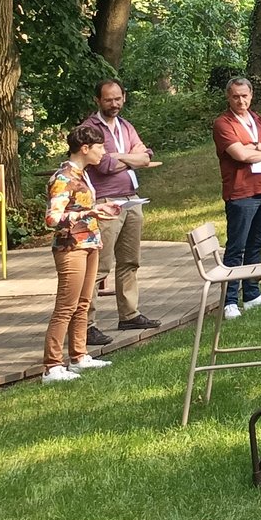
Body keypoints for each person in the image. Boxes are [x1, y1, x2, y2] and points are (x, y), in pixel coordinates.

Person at [41, 123, 119, 383]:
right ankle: (52, 366)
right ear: (84, 148)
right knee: (66, 305)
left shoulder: (82, 174)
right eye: (100, 147)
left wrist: (100, 208)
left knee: (83, 303)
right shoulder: (63, 177)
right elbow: (52, 219)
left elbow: (81, 205)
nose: (104, 153)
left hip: (89, 244)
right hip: (70, 247)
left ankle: (79, 356)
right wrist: (87, 213)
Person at [83, 80, 160, 335]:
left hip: (131, 199)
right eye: (108, 100)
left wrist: (119, 157)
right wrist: (132, 160)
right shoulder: (89, 129)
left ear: (124, 97)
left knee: (130, 260)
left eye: (117, 98)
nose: (114, 104)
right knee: (99, 266)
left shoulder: (126, 126)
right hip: (105, 203)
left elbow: (146, 155)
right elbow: (102, 165)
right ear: (97, 100)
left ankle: (129, 314)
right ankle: (87, 324)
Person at [213, 76, 261, 319]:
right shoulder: (223, 123)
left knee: (257, 243)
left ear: (251, 95)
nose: (241, 100)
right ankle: (230, 301)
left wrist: (253, 146)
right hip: (241, 194)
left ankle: (253, 294)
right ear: (228, 97)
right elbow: (239, 155)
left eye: (244, 96)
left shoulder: (258, 119)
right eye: (235, 96)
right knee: (236, 247)